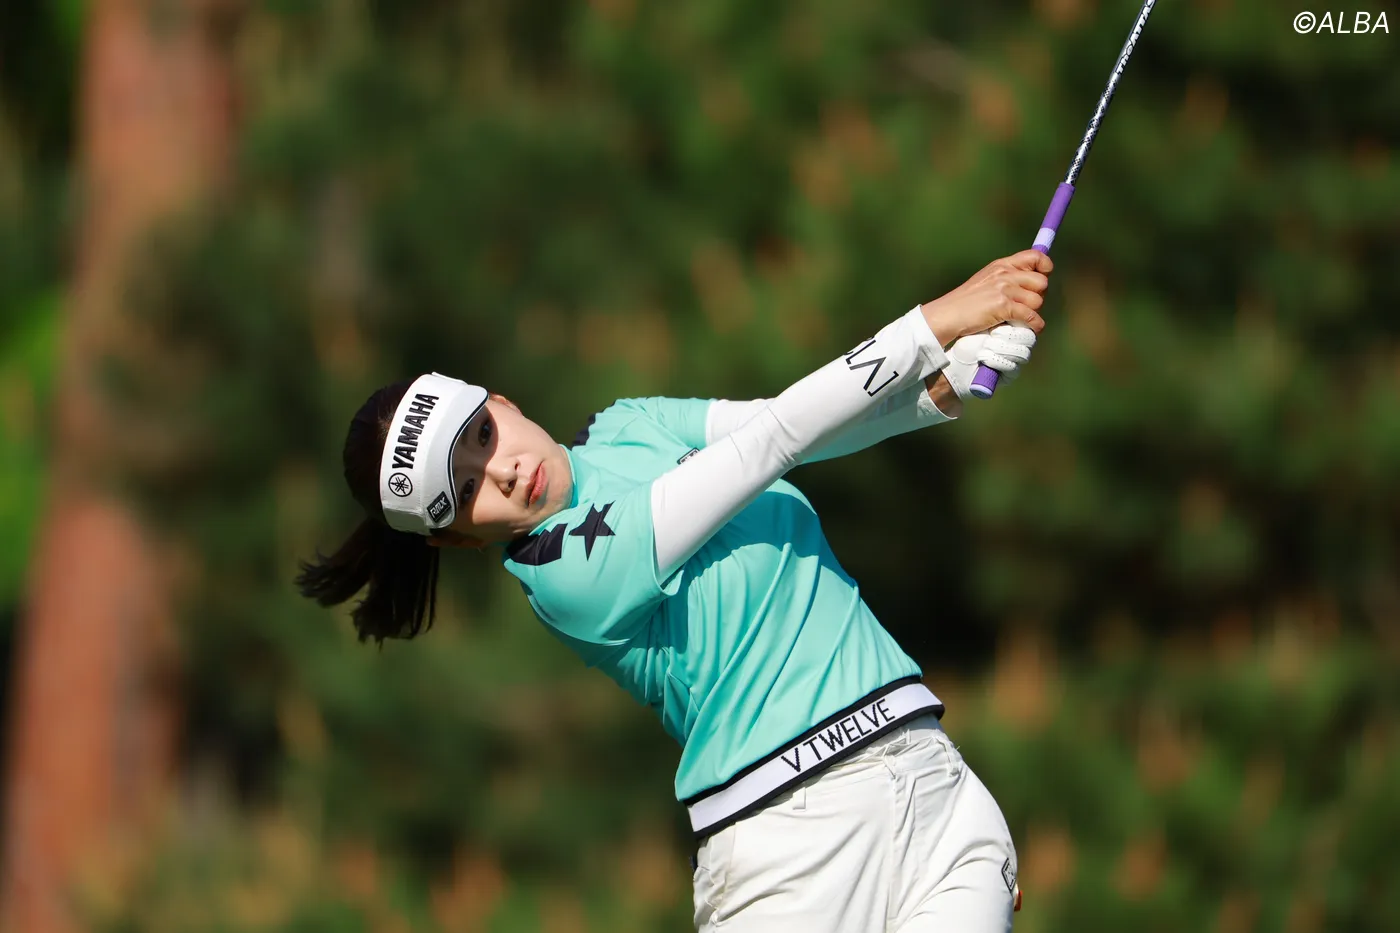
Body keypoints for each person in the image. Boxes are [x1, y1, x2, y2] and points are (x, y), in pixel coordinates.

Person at [298, 249, 1053, 933]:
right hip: (791, 849)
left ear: (500, 401)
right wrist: (933, 324)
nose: (500, 473)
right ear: (457, 539)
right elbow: (774, 442)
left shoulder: (630, 424)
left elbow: (800, 428)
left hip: (930, 781)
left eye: (480, 437)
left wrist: (942, 387)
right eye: (466, 493)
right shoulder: (564, 575)